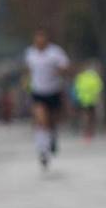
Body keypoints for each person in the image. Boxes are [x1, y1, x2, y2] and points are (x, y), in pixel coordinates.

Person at [24, 27, 71, 168]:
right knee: (41, 121)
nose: (39, 42)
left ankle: (53, 138)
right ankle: (43, 150)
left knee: (52, 122)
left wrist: (58, 71)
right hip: (38, 92)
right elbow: (29, 70)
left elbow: (65, 67)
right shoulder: (30, 53)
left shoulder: (55, 53)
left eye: (42, 39)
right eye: (37, 39)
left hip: (53, 91)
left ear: (46, 40)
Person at [73, 62, 104, 140]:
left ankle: (86, 130)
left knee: (85, 116)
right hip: (92, 99)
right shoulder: (94, 77)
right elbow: (99, 88)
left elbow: (76, 88)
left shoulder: (80, 77)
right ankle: (90, 131)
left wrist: (77, 97)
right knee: (92, 116)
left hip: (82, 99)